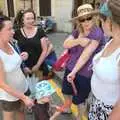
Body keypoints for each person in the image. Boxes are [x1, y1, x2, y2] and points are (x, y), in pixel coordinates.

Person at [57, 4, 105, 120]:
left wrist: (73, 72)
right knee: (66, 90)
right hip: (71, 66)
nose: (86, 22)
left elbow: (85, 55)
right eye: (83, 19)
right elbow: (65, 44)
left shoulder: (97, 33)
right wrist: (79, 40)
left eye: (89, 18)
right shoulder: (77, 31)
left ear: (94, 17)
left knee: (80, 98)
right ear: (79, 21)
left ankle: (79, 117)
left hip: (85, 72)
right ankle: (68, 107)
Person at [88, 0, 120, 119]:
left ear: (110, 21)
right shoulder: (111, 40)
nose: (100, 25)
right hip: (97, 105)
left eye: (101, 21)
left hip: (110, 112)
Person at [0, 15, 34, 120]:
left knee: (21, 116)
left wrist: (21, 57)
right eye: (9, 29)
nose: (13, 31)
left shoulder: (10, 43)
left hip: (22, 88)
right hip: (9, 97)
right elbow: (1, 83)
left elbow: (11, 63)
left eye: (13, 28)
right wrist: (23, 97)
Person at [13, 8, 50, 79]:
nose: (31, 21)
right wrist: (23, 67)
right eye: (28, 18)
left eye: (32, 18)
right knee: (26, 88)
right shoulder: (16, 33)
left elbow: (44, 50)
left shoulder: (40, 31)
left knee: (38, 88)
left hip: (39, 67)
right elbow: (14, 51)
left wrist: (37, 65)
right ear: (23, 20)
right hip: (23, 68)